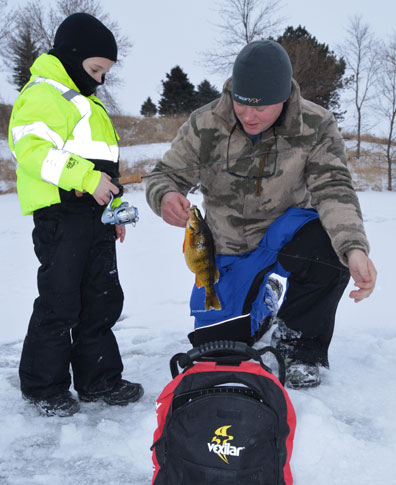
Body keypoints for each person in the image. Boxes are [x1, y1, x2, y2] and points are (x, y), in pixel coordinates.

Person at [145, 40, 377, 389]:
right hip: (228, 247)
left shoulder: (315, 124)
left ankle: (299, 347)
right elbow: (164, 175)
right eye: (241, 103)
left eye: (262, 108)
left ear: (283, 99)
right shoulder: (206, 122)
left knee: (330, 248)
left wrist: (354, 247)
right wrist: (165, 196)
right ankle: (259, 301)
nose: (249, 116)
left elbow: (334, 188)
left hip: (285, 237)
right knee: (220, 349)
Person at [8, 13, 143, 416]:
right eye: (95, 69)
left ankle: (98, 380)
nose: (101, 79)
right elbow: (31, 151)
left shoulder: (90, 104)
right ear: (71, 56)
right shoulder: (42, 94)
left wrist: (115, 209)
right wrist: (84, 177)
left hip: (95, 218)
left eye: (105, 72)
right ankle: (43, 387)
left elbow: (106, 168)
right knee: (60, 302)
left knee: (101, 299)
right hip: (61, 217)